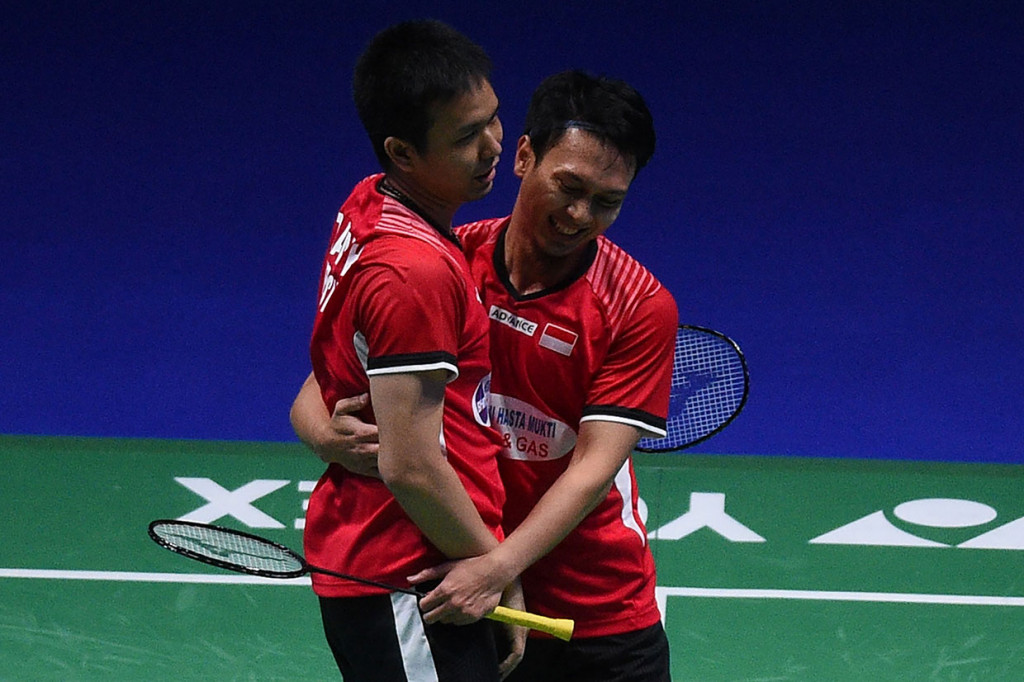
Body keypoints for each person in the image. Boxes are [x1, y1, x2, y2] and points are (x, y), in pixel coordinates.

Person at [293, 70, 678, 681]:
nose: (580, 215)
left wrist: (497, 569)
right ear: (524, 156)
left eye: (607, 201)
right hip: (463, 574)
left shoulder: (637, 305)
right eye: (568, 186)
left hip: (592, 601)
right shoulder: (448, 261)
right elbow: (321, 388)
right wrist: (324, 435)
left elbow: (591, 470)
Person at [299, 19, 525, 682]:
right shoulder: (415, 273)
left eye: (492, 119)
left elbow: (322, 379)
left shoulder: (369, 204)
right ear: (401, 150)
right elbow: (412, 467)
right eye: (464, 138)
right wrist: (499, 569)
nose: (491, 147)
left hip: (420, 563)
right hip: (413, 575)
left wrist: (323, 434)